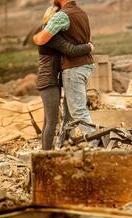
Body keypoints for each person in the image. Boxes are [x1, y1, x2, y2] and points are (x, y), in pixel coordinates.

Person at [33, 0, 96, 146]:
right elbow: (71, 50)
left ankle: (63, 146)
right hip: (48, 80)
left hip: (59, 78)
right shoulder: (53, 37)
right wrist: (90, 46)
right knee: (52, 120)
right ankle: (47, 154)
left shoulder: (58, 31)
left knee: (68, 115)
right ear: (51, 20)